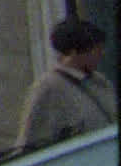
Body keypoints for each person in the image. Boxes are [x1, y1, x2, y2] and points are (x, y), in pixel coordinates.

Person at [14, 18, 116, 150]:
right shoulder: (48, 88)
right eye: (96, 50)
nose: (101, 54)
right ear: (74, 52)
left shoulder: (101, 82)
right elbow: (30, 143)